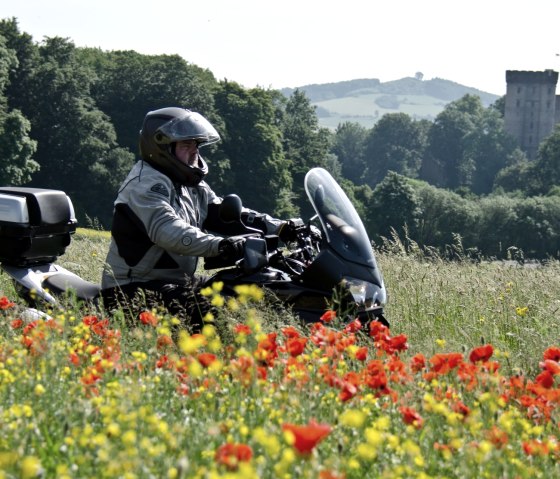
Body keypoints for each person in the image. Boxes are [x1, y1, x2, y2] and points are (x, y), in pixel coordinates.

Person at [101, 107, 298, 331]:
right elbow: (170, 231)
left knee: (245, 289)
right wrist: (221, 245)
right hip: (131, 289)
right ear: (162, 146)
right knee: (217, 314)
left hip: (174, 283)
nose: (194, 151)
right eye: (186, 145)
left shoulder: (189, 183)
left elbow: (226, 214)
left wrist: (280, 227)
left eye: (196, 144)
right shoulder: (145, 185)